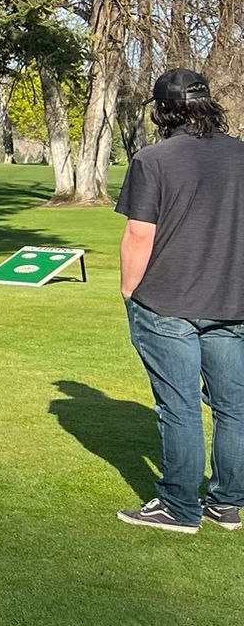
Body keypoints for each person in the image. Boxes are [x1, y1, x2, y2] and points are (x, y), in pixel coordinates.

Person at [113, 68, 244, 533]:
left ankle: (179, 507)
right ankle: (227, 504)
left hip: (167, 301)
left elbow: (138, 234)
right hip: (231, 301)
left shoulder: (154, 159)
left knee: (180, 404)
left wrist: (129, 291)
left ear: (163, 110)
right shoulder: (240, 155)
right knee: (233, 406)